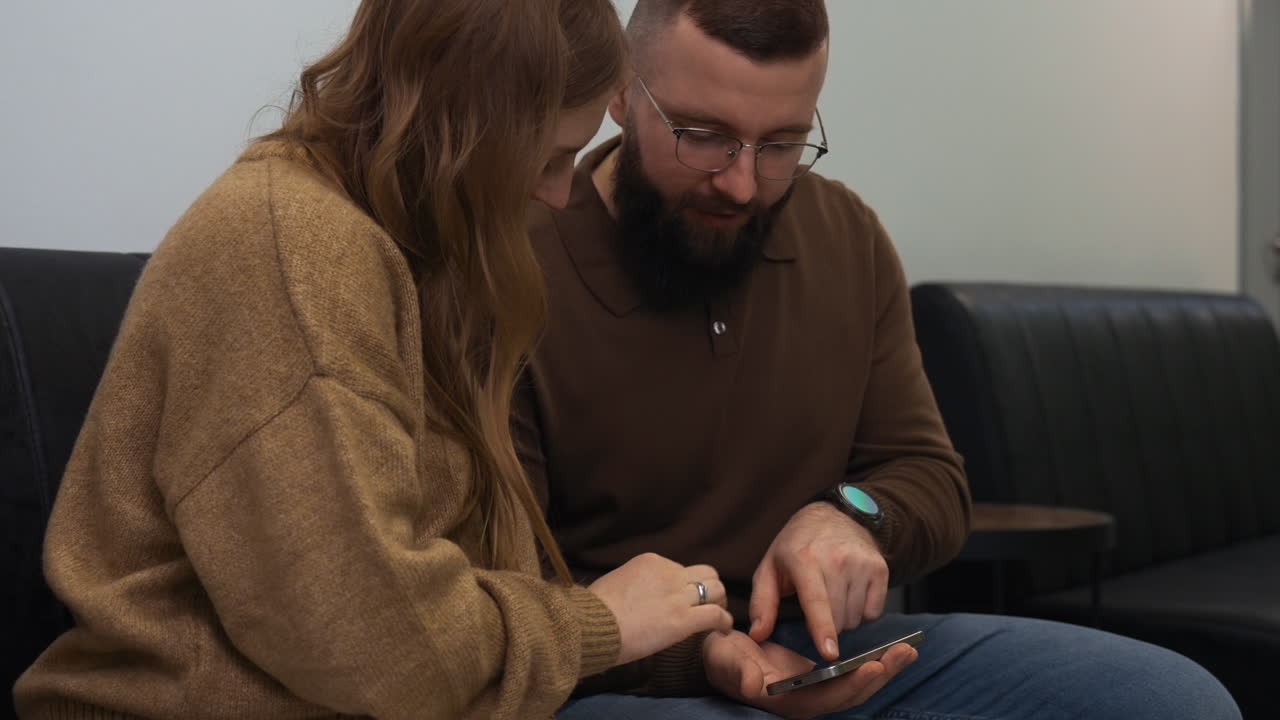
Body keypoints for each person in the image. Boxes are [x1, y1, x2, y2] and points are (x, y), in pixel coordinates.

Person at [514, 1, 1244, 718]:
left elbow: (930, 479)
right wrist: (699, 652)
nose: (741, 183)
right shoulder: (514, 258)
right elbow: (506, 591)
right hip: (628, 671)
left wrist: (851, 517)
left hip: (822, 651)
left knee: (1174, 698)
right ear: (618, 93)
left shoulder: (846, 236)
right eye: (702, 136)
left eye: (781, 144)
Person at [13, 2, 738, 719]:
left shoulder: (418, 250)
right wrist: (597, 628)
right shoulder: (294, 254)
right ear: (461, 129)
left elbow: (454, 602)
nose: (557, 192)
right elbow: (385, 648)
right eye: (547, 159)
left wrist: (680, 654)